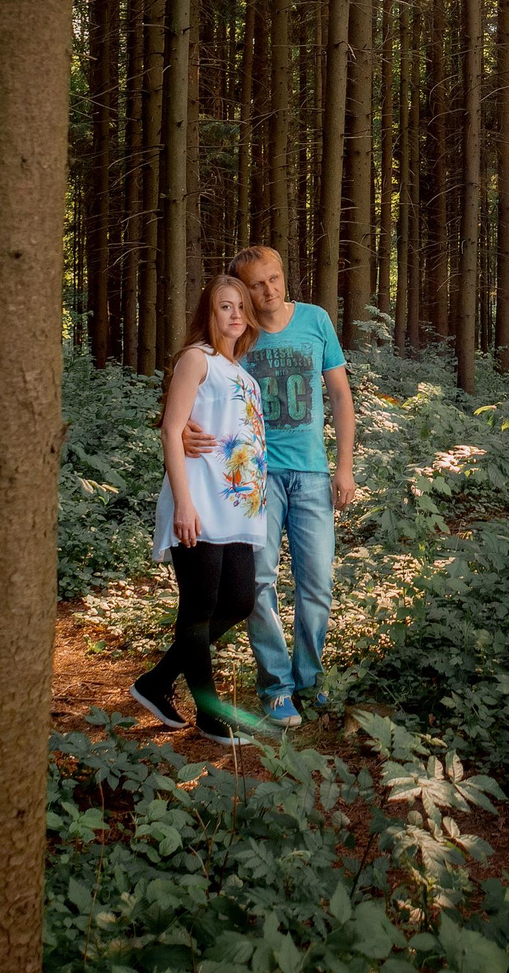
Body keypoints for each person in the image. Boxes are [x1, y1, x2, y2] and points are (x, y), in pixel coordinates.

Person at [181, 244, 352, 728]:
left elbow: (340, 394)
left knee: (316, 584)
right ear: (244, 290)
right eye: (255, 284)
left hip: (313, 473)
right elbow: (198, 374)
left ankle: (309, 682)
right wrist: (181, 427)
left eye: (273, 278)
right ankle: (276, 688)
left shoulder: (316, 321)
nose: (267, 290)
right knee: (259, 583)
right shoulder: (241, 332)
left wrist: (344, 466)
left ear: (283, 276)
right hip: (254, 477)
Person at [130, 275, 266, 747]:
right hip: (200, 502)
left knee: (239, 602)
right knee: (199, 606)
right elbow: (171, 431)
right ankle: (210, 717)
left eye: (241, 307)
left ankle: (155, 681)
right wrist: (183, 504)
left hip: (239, 511)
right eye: (224, 306)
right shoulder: (197, 360)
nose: (234, 314)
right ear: (207, 313)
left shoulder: (245, 375)